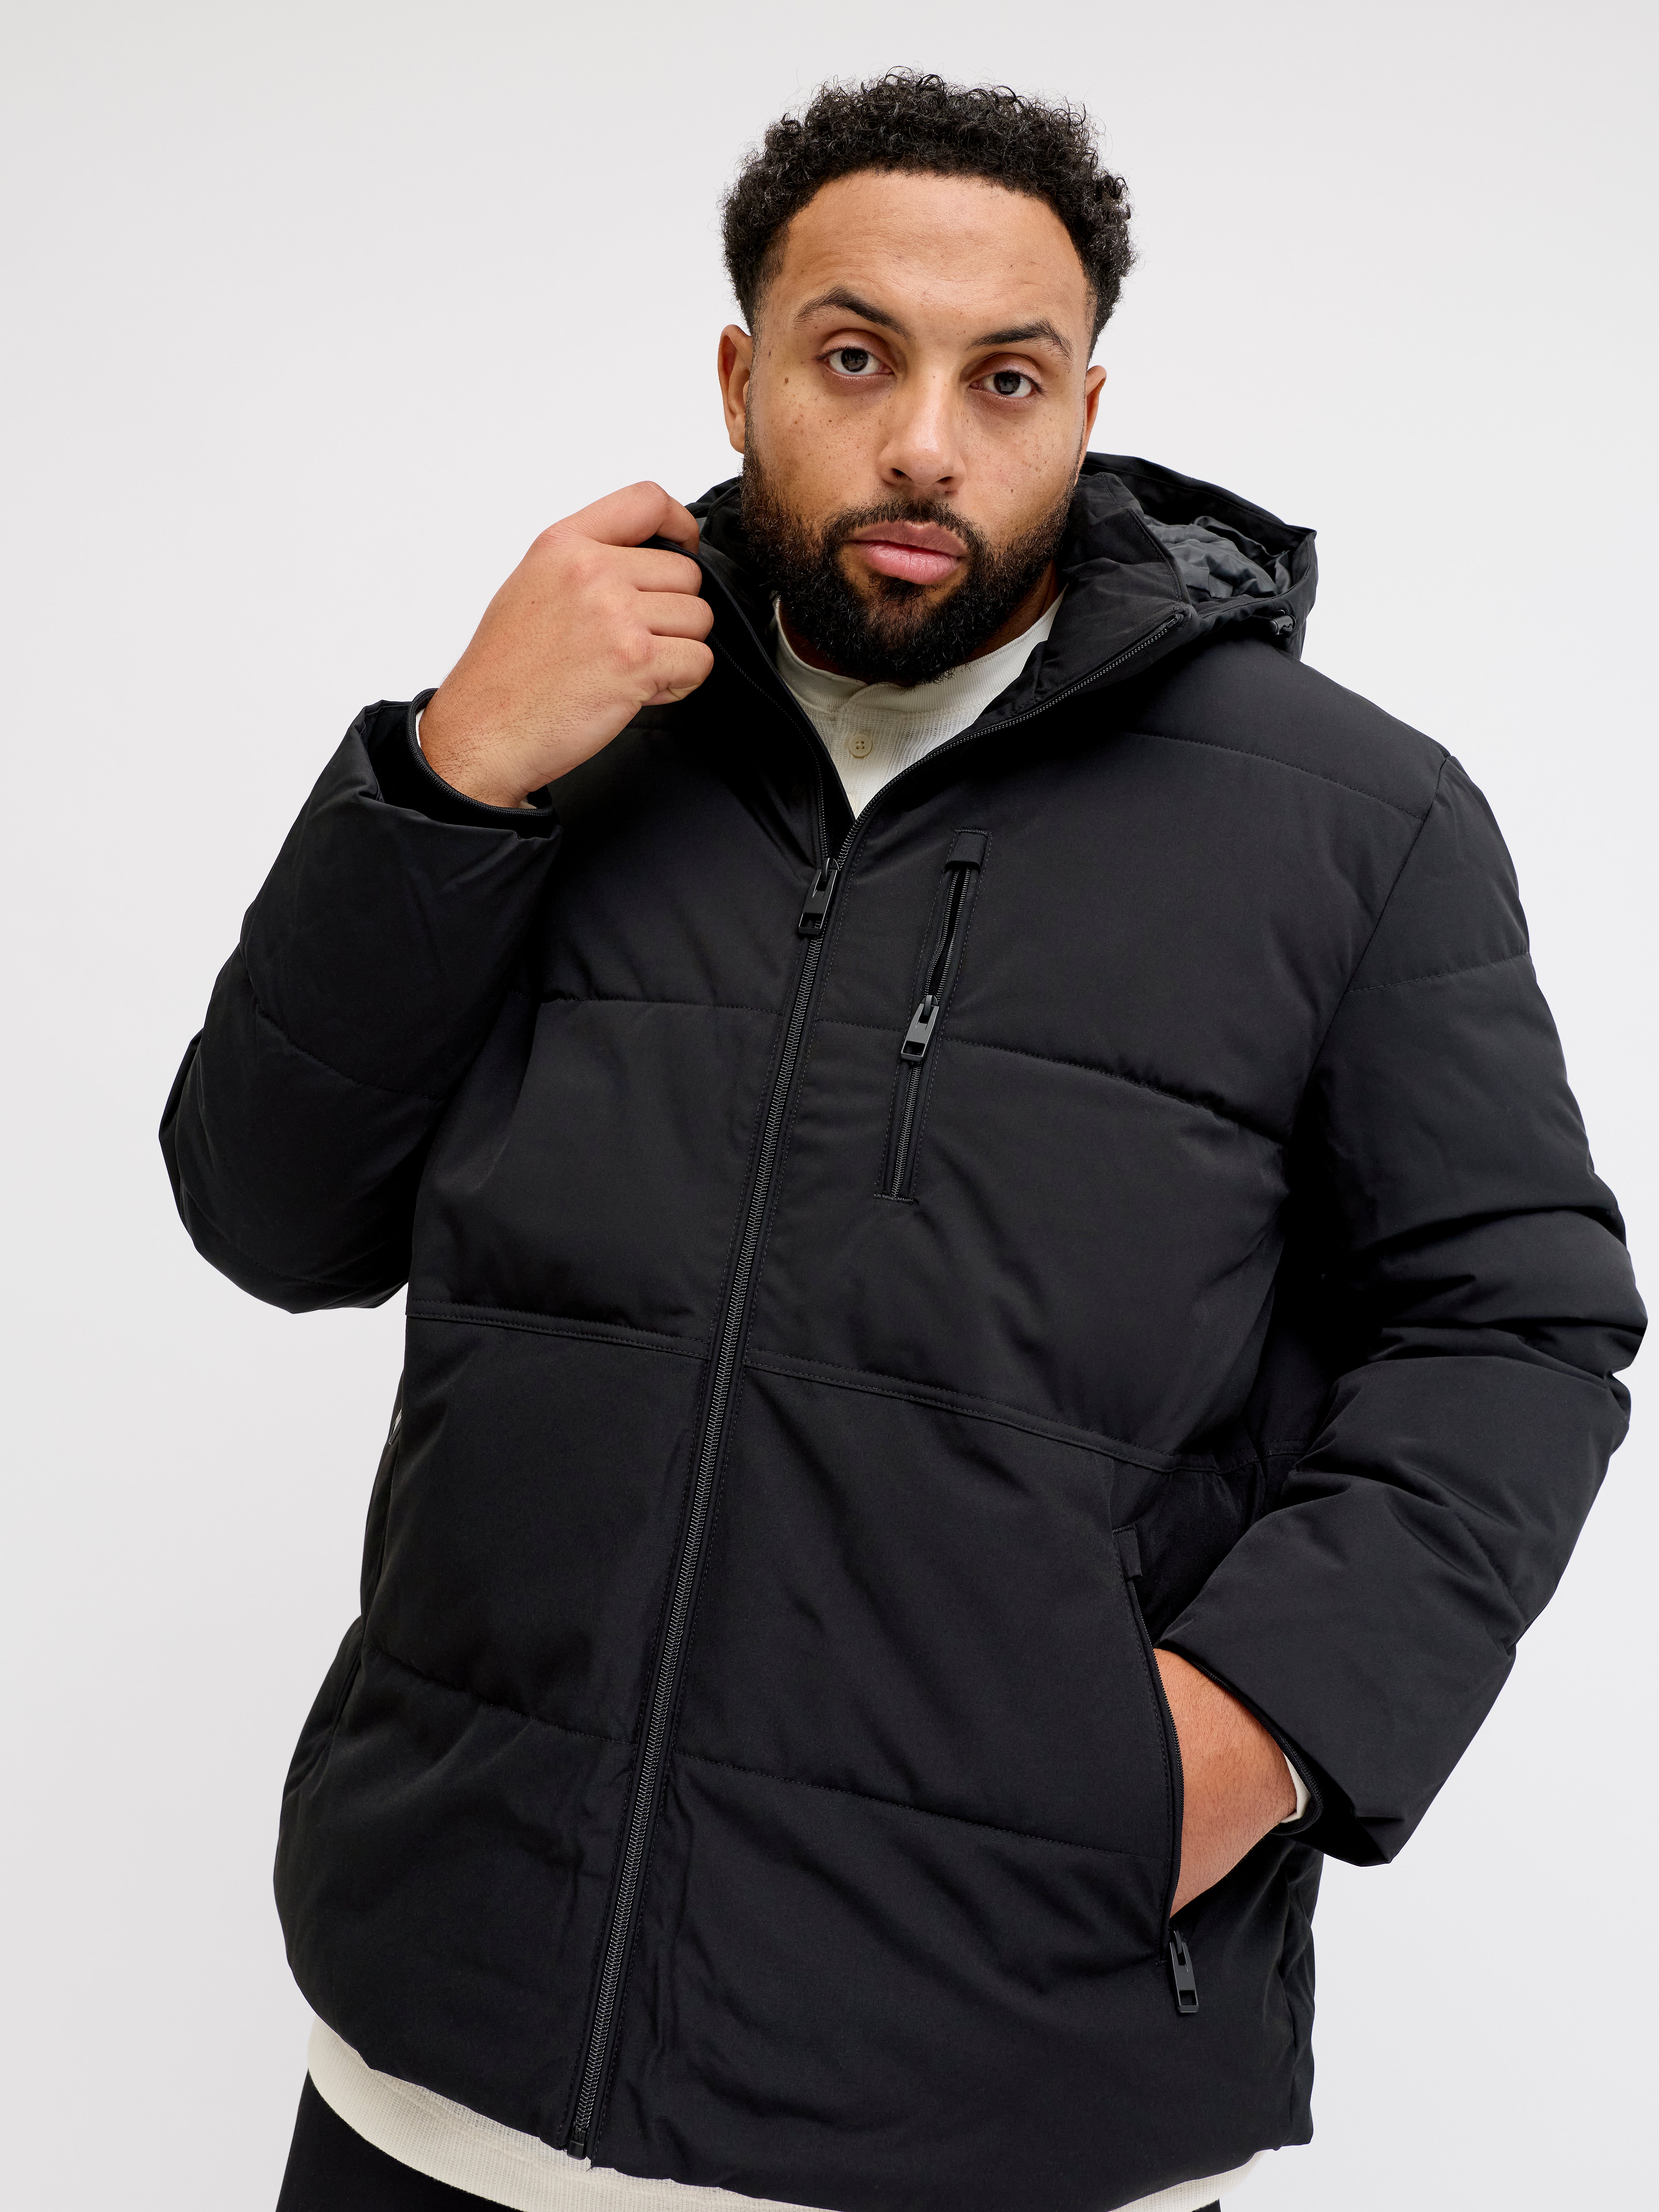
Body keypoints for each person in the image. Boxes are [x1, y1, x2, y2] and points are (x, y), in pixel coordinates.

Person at [162, 70, 1643, 2212]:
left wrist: (1247, 1735)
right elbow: (268, 1215)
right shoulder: (557, 734)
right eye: (854, 359)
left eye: (1003, 378)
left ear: (1087, 407)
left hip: (1006, 2093)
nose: (925, 441)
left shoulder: (1353, 822)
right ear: (743, 378)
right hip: (438, 2061)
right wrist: (451, 773)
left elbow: (1514, 1328)